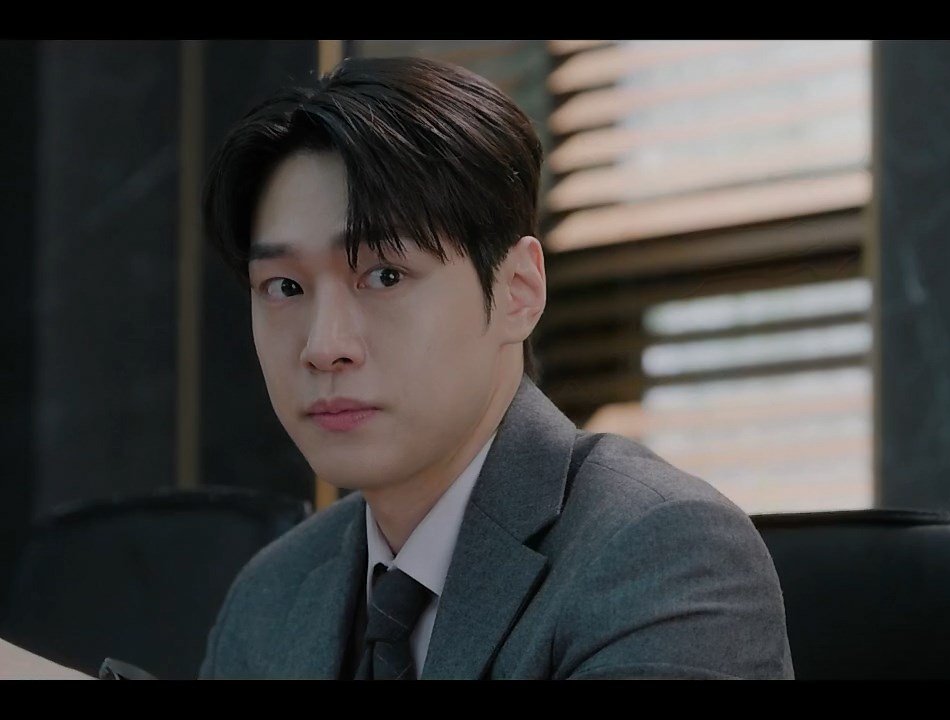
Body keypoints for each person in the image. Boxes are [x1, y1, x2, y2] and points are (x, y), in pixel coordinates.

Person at [196, 56, 793, 680]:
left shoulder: (662, 551)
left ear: (518, 292)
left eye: (385, 275)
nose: (324, 346)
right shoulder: (271, 596)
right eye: (285, 287)